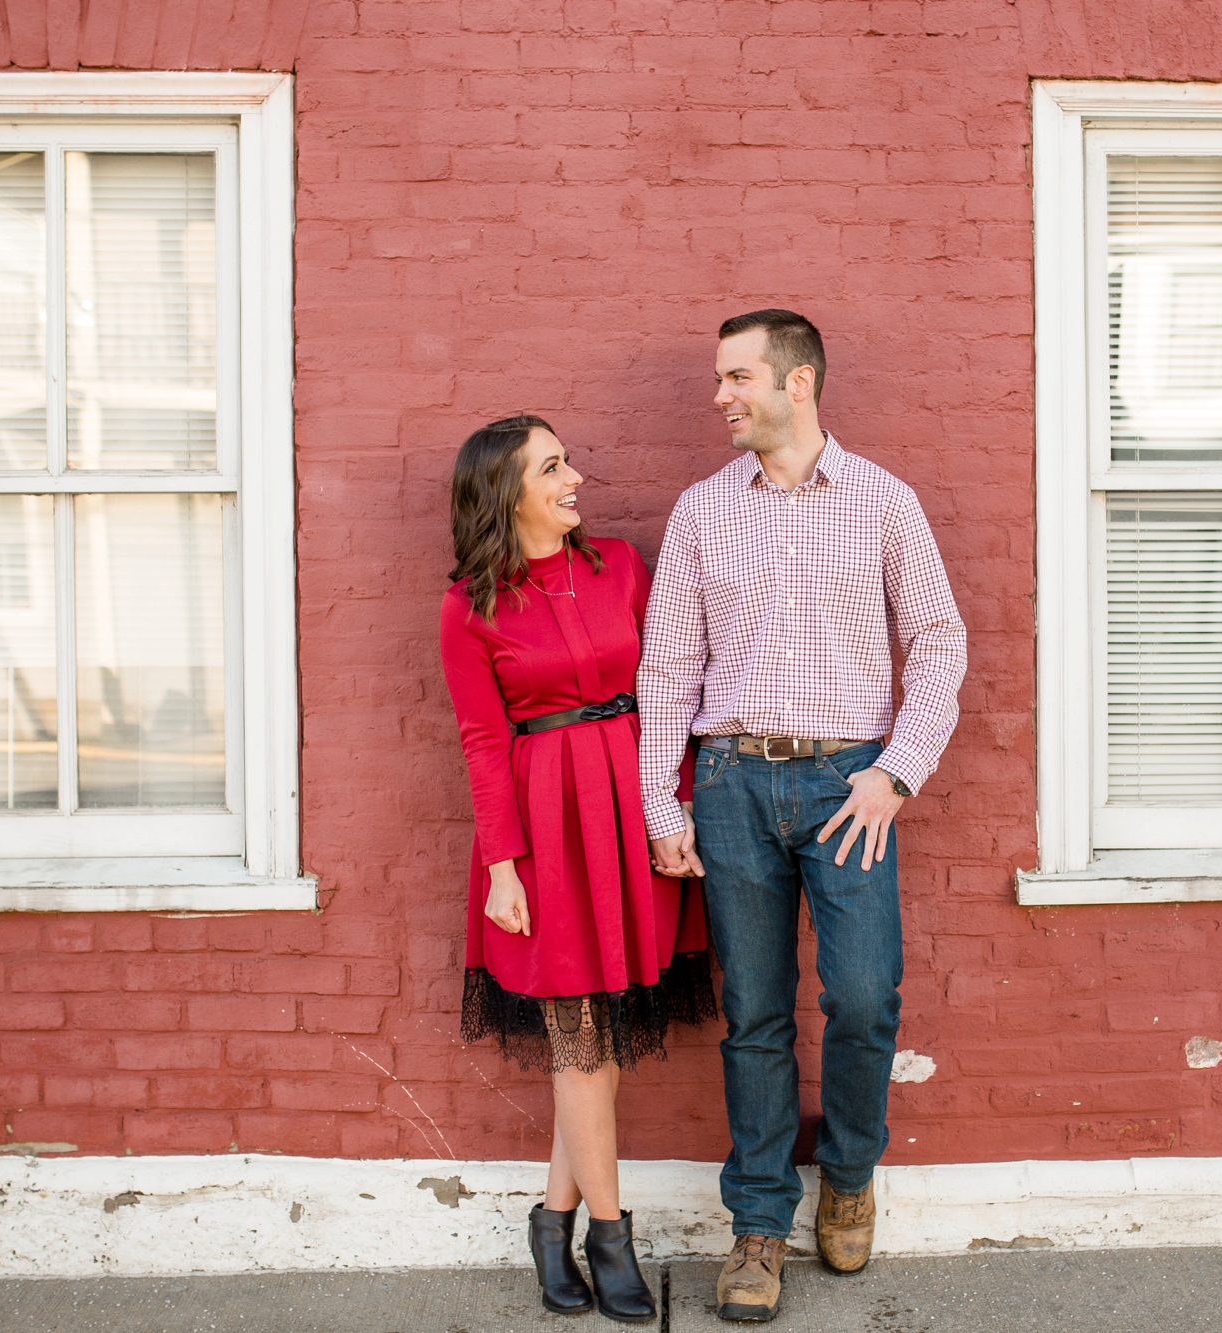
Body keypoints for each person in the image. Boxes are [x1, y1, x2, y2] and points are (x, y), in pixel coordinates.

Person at [637, 311, 966, 1323]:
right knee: (756, 1016)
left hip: (847, 788)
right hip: (732, 784)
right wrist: (662, 795)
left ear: (799, 382)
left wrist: (894, 773)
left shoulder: (880, 503)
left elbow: (940, 644)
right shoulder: (701, 512)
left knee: (864, 996)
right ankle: (757, 1224)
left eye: (738, 377)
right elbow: (668, 665)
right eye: (719, 378)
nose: (719, 396)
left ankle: (851, 1174)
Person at [439, 415, 715, 1324]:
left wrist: (665, 807)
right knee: (579, 1041)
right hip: (547, 822)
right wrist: (504, 868)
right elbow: (483, 743)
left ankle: (551, 1223)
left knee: (594, 1043)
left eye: (568, 461)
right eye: (553, 467)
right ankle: (608, 1234)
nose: (576, 478)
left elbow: (670, 689)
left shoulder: (620, 569)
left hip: (626, 807)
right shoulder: (469, 608)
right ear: (506, 492)